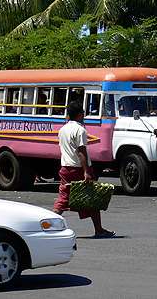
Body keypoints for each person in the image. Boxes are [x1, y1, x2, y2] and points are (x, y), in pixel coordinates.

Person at [53, 101, 114, 238]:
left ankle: (48, 225)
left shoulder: (62, 129)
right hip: (78, 168)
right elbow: (81, 152)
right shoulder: (80, 130)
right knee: (91, 198)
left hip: (65, 167)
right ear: (80, 114)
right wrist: (86, 171)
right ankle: (98, 229)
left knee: (63, 199)